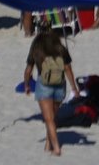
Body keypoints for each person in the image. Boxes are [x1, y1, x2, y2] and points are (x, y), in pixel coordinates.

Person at [24, 27, 78, 156]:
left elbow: (28, 70)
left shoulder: (36, 48)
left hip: (44, 85)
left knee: (49, 119)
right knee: (52, 117)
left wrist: (26, 85)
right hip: (60, 84)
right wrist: (74, 87)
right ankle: (48, 144)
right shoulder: (60, 48)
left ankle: (56, 148)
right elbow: (68, 68)